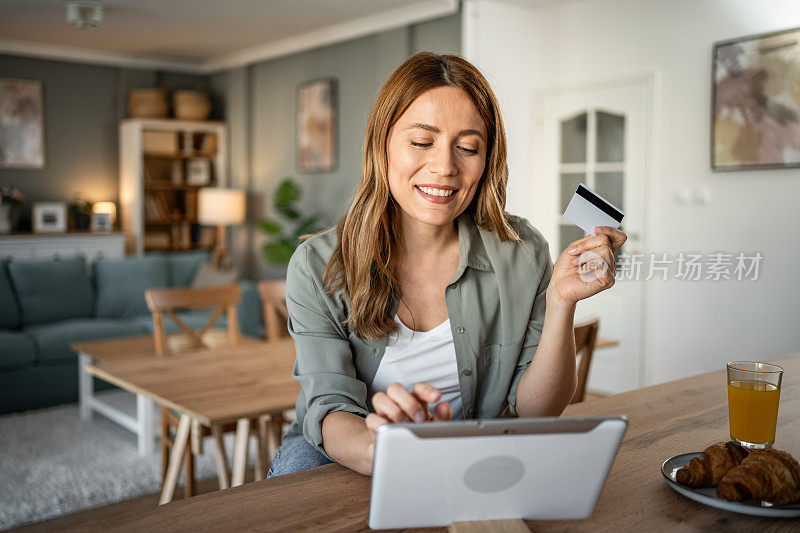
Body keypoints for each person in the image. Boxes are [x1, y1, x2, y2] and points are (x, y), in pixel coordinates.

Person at [267, 52, 626, 478]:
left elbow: (538, 410)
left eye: (468, 147)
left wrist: (562, 301)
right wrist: (389, 453)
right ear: (382, 145)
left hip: (477, 447)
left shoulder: (522, 250)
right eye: (421, 142)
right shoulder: (318, 265)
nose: (444, 167)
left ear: (486, 158)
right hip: (350, 450)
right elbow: (330, 408)